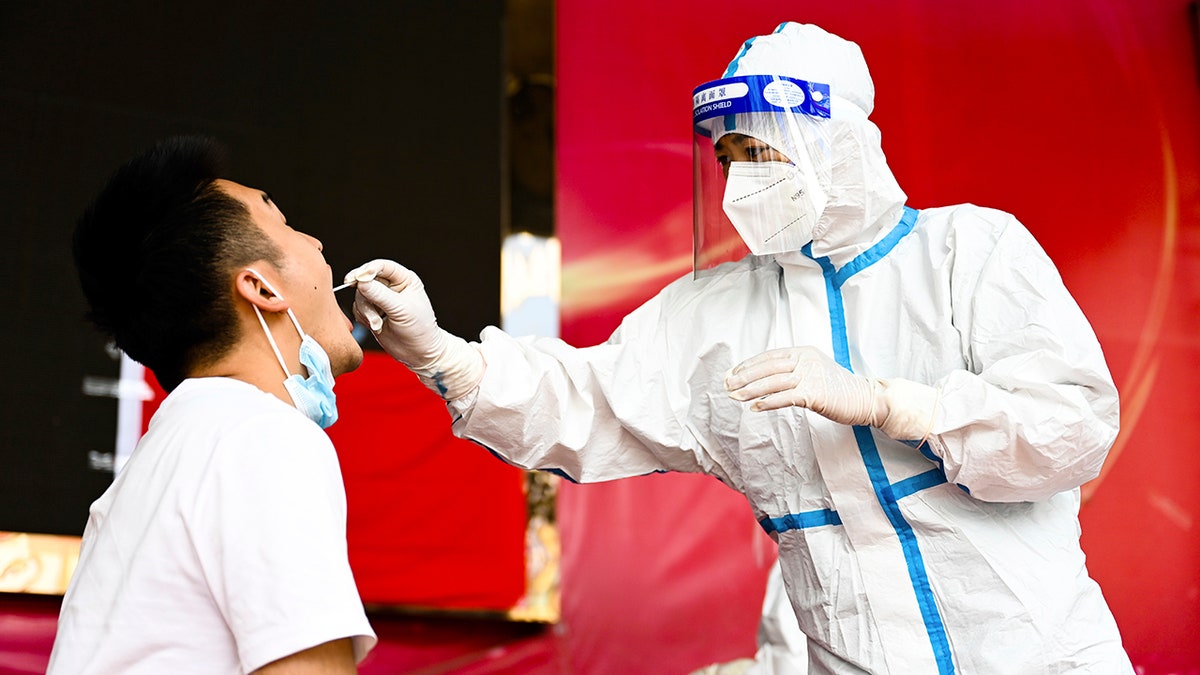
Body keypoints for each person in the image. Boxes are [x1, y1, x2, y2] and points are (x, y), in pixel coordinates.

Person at [346, 21, 1132, 673]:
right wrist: (441, 355)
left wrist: (897, 403)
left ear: (841, 142)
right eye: (729, 157)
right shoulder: (715, 313)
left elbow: (1071, 430)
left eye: (764, 151)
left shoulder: (968, 251)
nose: (741, 179)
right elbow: (583, 400)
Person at [48, 136, 376, 674]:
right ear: (262, 288)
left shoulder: (160, 462)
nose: (316, 242)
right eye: (288, 225)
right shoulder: (261, 437)